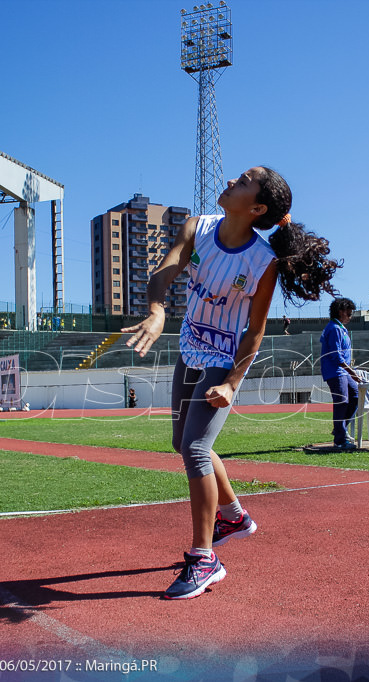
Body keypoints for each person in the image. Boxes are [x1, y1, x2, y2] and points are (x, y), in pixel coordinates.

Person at [121, 166, 340, 600]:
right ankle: (234, 517)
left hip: (223, 359)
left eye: (242, 182)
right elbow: (165, 272)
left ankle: (205, 559)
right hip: (190, 348)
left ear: (256, 207)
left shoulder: (263, 262)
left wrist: (233, 383)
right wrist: (159, 309)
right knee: (181, 444)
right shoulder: (199, 226)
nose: (229, 183)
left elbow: (255, 330)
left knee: (196, 450)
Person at [320, 297, 362, 449]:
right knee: (342, 402)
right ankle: (340, 440)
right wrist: (352, 372)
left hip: (342, 370)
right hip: (336, 371)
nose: (350, 317)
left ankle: (340, 429)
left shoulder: (339, 328)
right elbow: (336, 355)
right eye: (349, 314)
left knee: (355, 396)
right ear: (340, 312)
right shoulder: (334, 329)